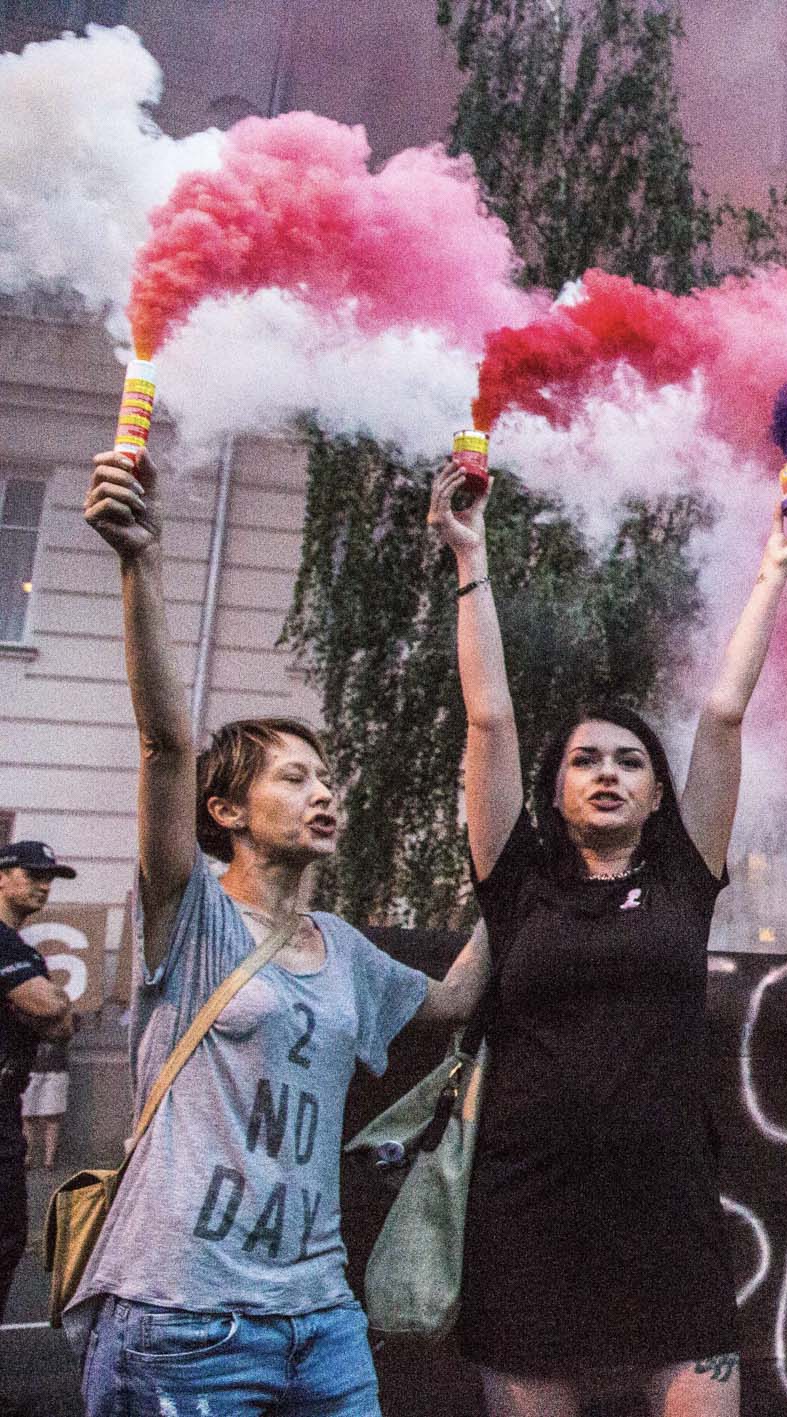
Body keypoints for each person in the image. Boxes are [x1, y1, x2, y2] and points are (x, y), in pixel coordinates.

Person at [71, 451, 490, 1416]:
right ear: (223, 808)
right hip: (181, 1315)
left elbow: (455, 1000)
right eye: (293, 776)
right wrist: (142, 562)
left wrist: (518, 875)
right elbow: (166, 743)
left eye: (326, 774)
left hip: (321, 1317)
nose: (324, 789)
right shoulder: (193, 913)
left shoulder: (345, 948)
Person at [434, 461, 787, 1417]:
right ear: (555, 787)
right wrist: (469, 553)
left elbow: (723, 716)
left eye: (630, 760)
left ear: (657, 792)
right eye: (584, 760)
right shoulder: (516, 882)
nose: (606, 773)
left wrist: (773, 570)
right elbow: (490, 717)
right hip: (528, 1218)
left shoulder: (685, 877)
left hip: (669, 1222)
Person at [1, 840, 76, 1342]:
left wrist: (52, 1007)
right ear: (2, 876)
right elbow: (50, 1010)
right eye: (33, 875)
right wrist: (51, 1004)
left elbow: (55, 1024)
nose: (44, 885)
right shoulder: (5, 944)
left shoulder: (18, 946)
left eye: (50, 877)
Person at [24, 1032, 70, 1170]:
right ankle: (26, 1157)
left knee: (52, 1116)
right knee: (27, 1115)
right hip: (28, 1065)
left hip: (55, 1067)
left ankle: (49, 1160)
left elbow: (69, 1027)